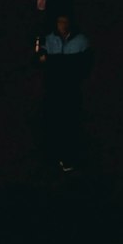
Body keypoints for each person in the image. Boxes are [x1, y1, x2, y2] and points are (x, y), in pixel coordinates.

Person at [37, 14, 93, 172]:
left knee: (70, 123)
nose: (61, 25)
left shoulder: (81, 41)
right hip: (53, 89)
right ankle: (53, 156)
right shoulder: (49, 40)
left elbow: (84, 66)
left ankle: (69, 157)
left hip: (71, 90)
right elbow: (39, 60)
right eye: (59, 22)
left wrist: (57, 64)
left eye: (64, 22)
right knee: (53, 122)